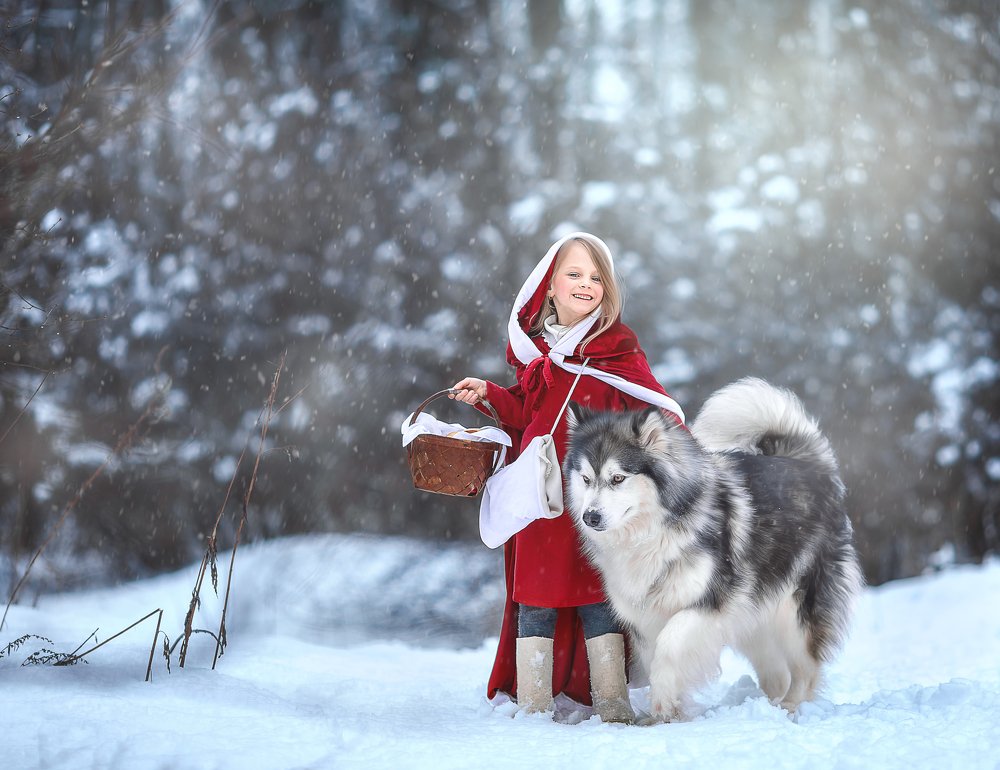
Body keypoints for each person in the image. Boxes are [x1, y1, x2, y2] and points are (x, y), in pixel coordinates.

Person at [451, 232, 685, 722]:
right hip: (540, 497)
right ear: (549, 287)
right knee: (534, 597)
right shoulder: (540, 354)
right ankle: (534, 703)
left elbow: (654, 412)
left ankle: (613, 701)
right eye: (574, 274)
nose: (586, 284)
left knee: (598, 597)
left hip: (594, 502)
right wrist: (491, 394)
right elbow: (527, 412)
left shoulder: (617, 349)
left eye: (596, 277)